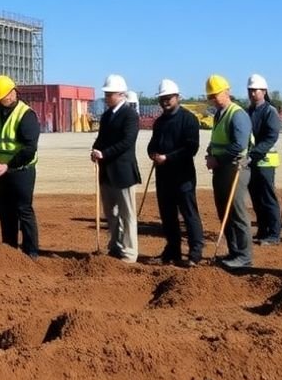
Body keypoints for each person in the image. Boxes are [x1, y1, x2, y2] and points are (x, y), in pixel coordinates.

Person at [146, 79, 203, 266]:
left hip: (183, 176)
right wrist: (152, 153)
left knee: (189, 215)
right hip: (164, 177)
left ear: (177, 97)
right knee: (168, 216)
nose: (165, 101)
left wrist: (168, 158)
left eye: (169, 98)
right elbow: (153, 144)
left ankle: (195, 254)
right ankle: (172, 251)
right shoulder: (160, 122)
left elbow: (191, 148)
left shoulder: (189, 119)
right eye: (162, 98)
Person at [0, 75, 40, 257]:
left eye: (5, 96)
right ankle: (9, 249)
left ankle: (30, 252)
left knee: (23, 210)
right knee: (4, 208)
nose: (3, 100)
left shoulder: (26, 115)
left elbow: (29, 149)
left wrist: (8, 165)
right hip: (3, 171)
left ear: (13, 92)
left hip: (22, 171)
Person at [91, 74, 141, 263]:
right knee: (111, 214)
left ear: (121, 94)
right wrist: (95, 150)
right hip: (107, 173)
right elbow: (101, 138)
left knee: (127, 214)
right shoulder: (106, 116)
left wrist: (105, 153)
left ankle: (129, 253)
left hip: (123, 173)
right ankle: (115, 246)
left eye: (110, 93)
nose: (106, 97)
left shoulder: (130, 115)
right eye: (106, 93)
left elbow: (127, 142)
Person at [204, 74, 253, 270]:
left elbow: (239, 146)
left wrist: (218, 159)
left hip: (235, 169)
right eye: (211, 96)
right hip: (221, 169)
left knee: (237, 213)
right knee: (224, 211)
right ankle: (234, 251)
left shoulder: (237, 114)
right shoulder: (219, 114)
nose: (214, 99)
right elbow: (217, 139)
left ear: (227, 91)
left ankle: (244, 256)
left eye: (216, 95)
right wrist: (210, 152)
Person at [245, 74, 282, 245]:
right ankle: (262, 230)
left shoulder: (270, 111)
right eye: (250, 90)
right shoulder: (248, 112)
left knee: (268, 198)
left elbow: (270, 137)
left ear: (264, 91)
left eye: (256, 90)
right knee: (256, 198)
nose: (252, 93)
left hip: (265, 162)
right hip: (252, 162)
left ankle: (273, 234)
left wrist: (253, 154)